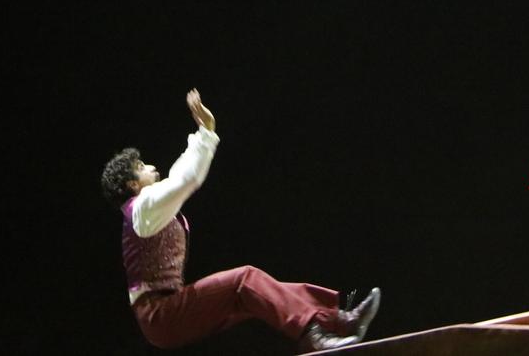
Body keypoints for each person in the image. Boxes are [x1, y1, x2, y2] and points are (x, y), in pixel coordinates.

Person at [102, 90, 380, 352]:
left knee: (255, 294)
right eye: (141, 167)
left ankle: (338, 321)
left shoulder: (150, 209)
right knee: (245, 279)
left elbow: (179, 176)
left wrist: (205, 133)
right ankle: (313, 335)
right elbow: (185, 179)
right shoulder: (141, 208)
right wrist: (206, 134)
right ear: (131, 183)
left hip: (168, 311)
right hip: (161, 316)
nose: (151, 167)